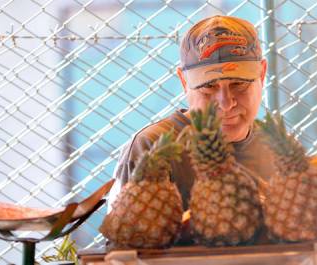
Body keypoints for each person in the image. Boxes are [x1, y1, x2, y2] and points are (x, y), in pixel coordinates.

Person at [108, 15, 276, 210]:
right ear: (184, 82)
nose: (225, 103)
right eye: (209, 87)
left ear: (262, 74)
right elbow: (126, 237)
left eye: (239, 84)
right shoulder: (151, 149)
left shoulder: (275, 148)